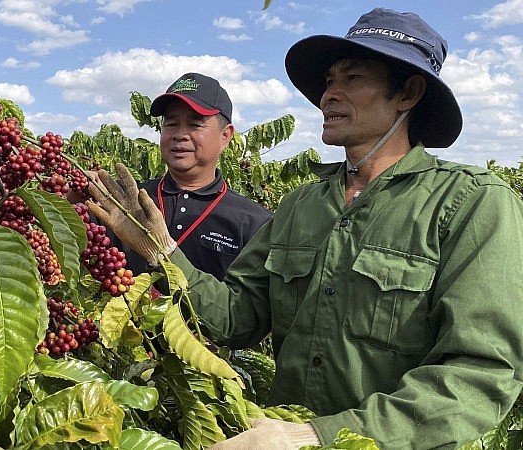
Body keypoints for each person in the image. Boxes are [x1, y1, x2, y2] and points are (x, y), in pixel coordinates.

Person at [88, 8, 523, 449]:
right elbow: (236, 318)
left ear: (408, 92)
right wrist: (161, 249)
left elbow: (482, 372)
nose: (328, 95)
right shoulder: (301, 205)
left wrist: (315, 436)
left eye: (351, 79)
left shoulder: (471, 203)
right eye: (329, 81)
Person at [112, 72, 272, 280]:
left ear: (225, 137)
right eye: (171, 124)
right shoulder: (125, 201)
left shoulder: (254, 222)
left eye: (195, 125)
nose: (180, 134)